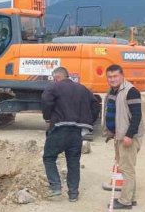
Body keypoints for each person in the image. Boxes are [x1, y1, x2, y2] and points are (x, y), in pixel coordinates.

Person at [41, 66, 101, 202]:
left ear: (56, 77)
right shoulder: (82, 89)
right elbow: (95, 105)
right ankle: (73, 194)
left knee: (49, 157)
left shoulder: (54, 87)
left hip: (59, 129)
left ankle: (55, 187)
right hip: (76, 133)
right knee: (73, 162)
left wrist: (47, 117)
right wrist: (89, 121)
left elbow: (45, 99)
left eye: (53, 78)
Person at [102, 64, 143, 210]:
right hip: (119, 136)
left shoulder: (131, 91)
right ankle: (131, 198)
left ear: (122, 76)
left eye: (115, 76)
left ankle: (125, 201)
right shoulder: (113, 91)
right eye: (109, 77)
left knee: (127, 169)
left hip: (127, 138)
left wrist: (129, 135)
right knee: (126, 168)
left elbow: (137, 115)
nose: (112, 79)